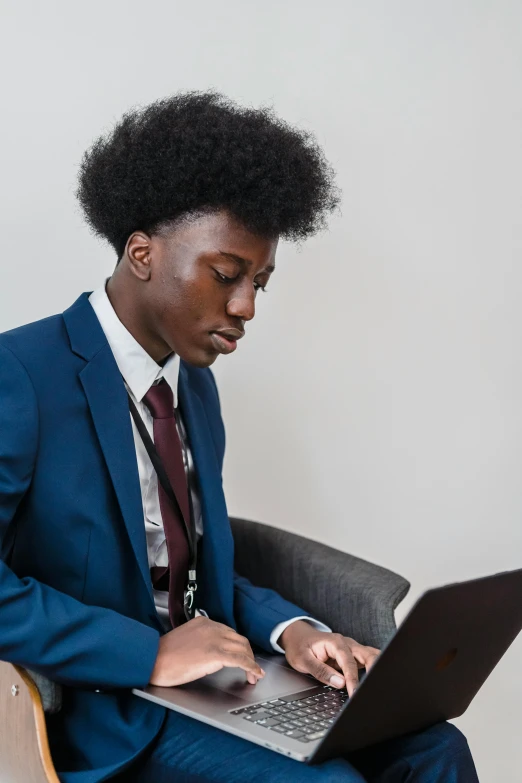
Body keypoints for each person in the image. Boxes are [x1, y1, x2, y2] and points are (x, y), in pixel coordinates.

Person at [0, 91, 478, 782]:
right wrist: (149, 653)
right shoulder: (21, 374)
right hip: (106, 710)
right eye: (227, 275)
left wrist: (297, 632)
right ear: (141, 253)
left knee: (438, 747)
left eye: (259, 281)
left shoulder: (194, 383)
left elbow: (201, 569)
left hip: (222, 685)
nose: (246, 307)